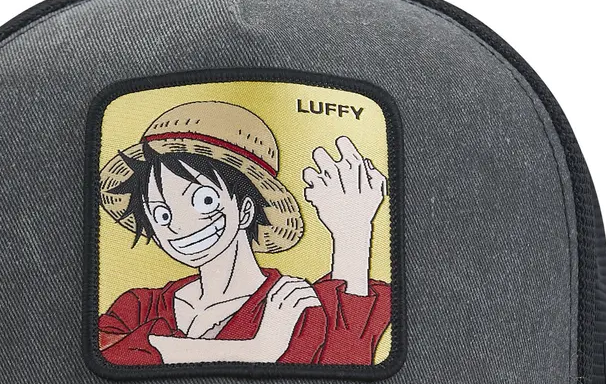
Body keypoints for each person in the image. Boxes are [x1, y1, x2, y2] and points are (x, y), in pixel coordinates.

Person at [97, 100, 390, 366]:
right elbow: (108, 354)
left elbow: (345, 365)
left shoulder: (291, 303)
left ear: (245, 210)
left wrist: (353, 230)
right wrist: (256, 349)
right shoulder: (138, 307)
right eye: (162, 214)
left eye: (204, 200)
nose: (178, 225)